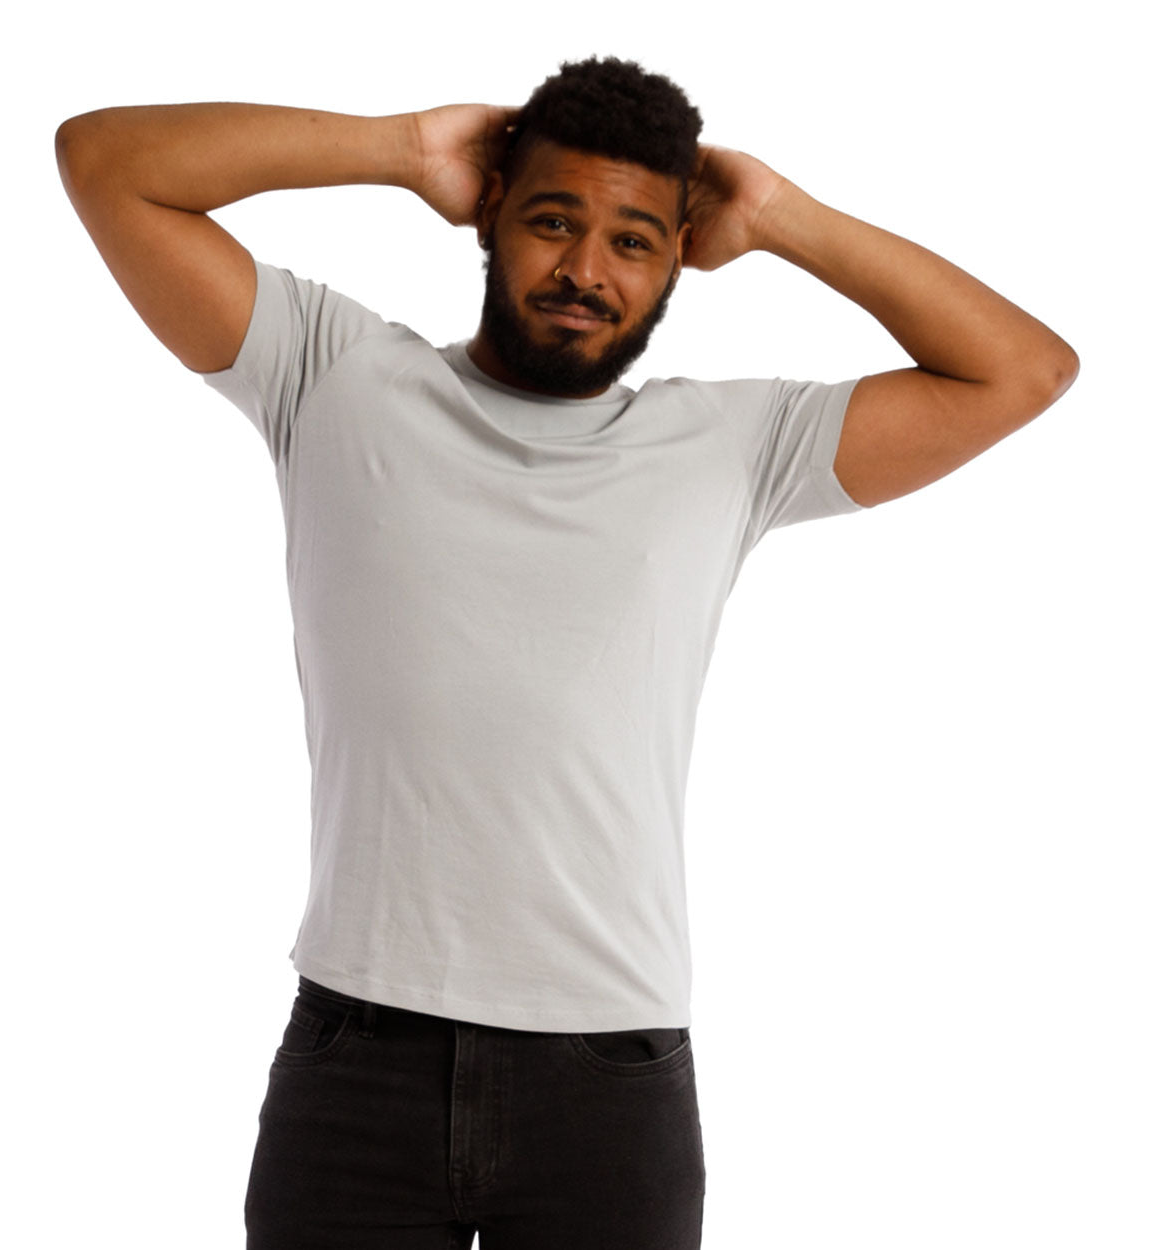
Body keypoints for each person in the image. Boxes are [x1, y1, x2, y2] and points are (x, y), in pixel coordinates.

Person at [55, 56, 1077, 1250]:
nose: (586, 271)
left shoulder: (735, 444)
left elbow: (1023, 368)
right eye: (552, 221)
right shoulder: (330, 371)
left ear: (675, 258)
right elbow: (104, 163)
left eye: (633, 242)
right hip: (357, 1055)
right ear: (490, 212)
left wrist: (778, 215)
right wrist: (398, 148)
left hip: (606, 1078)